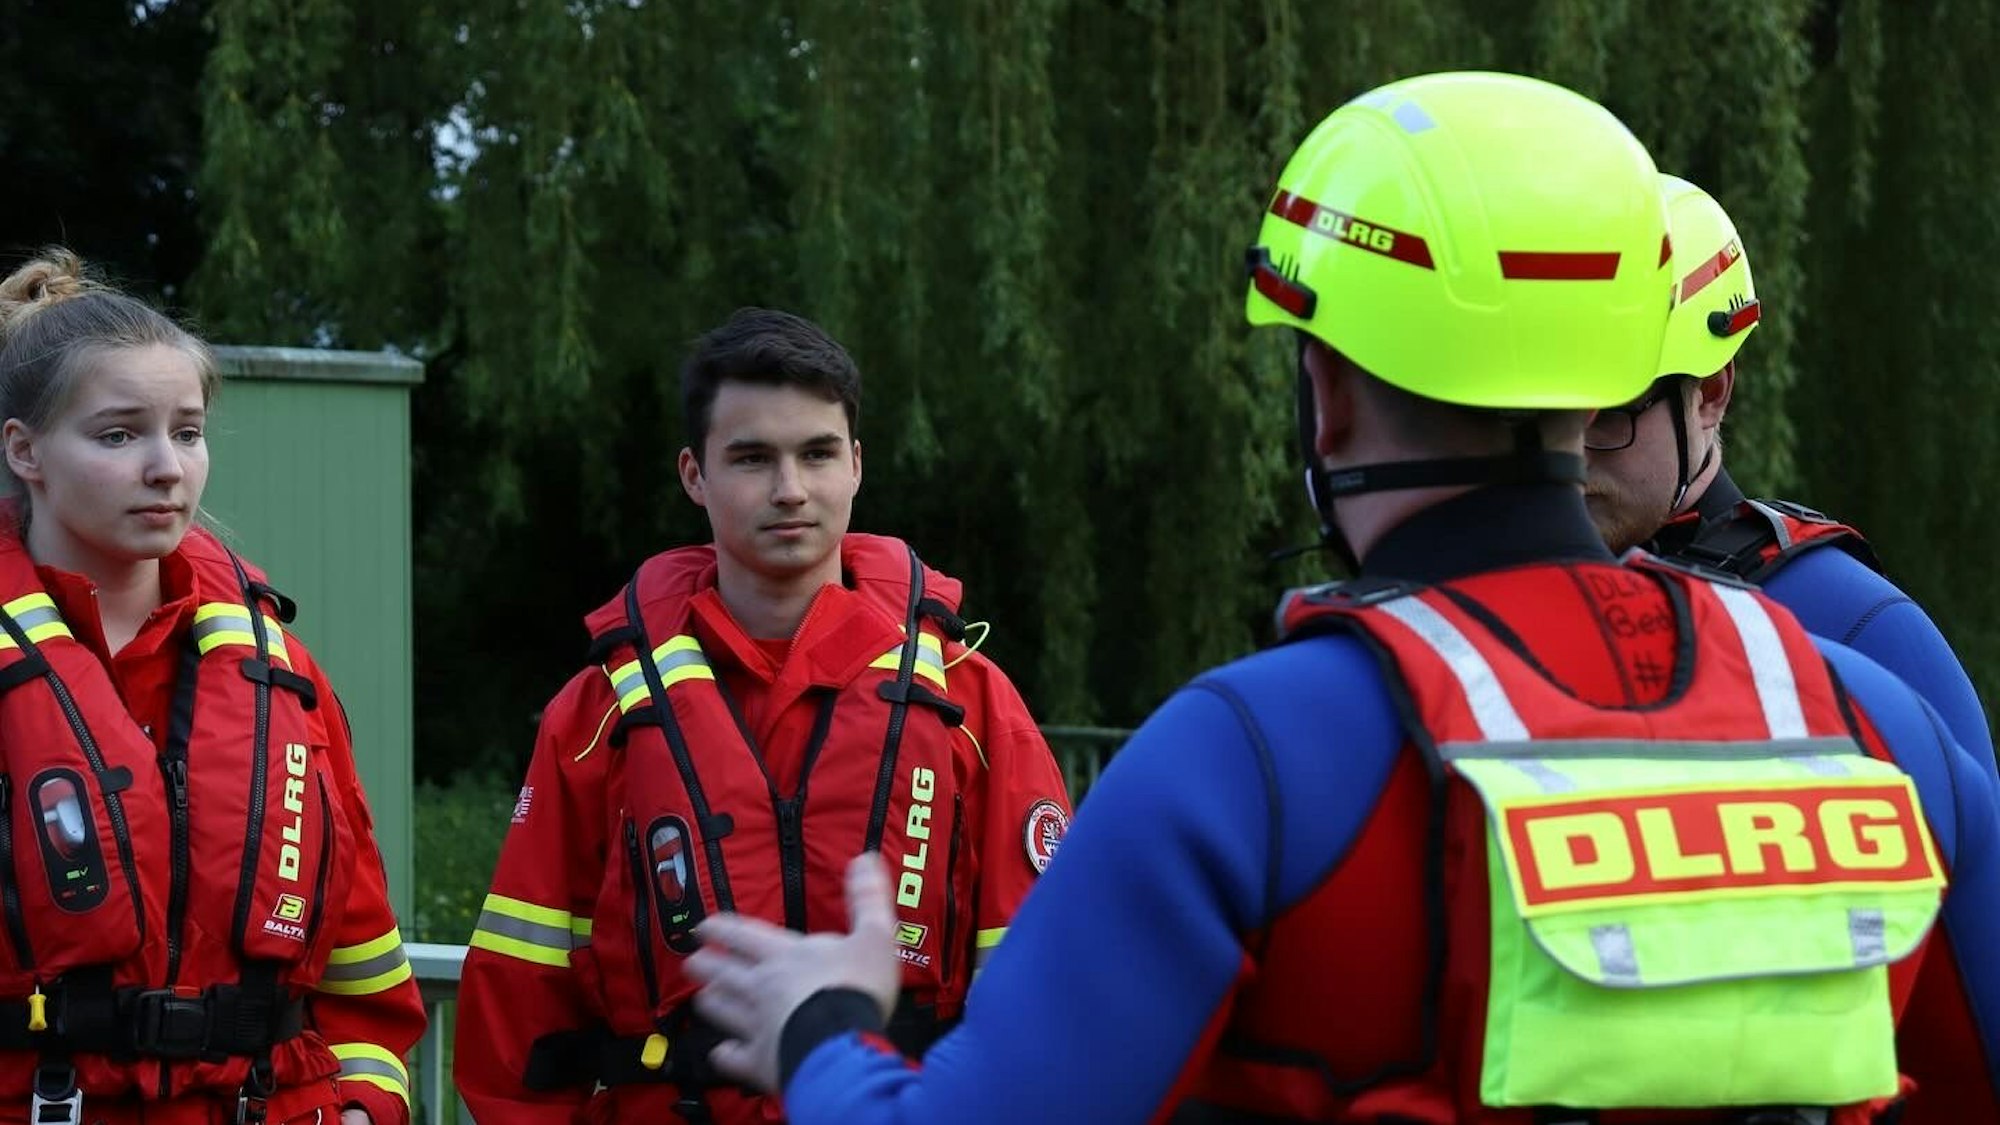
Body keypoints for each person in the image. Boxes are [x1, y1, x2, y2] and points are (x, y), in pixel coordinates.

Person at [682, 71, 2000, 1124]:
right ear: (1612, 373)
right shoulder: (1871, 715)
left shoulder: (1248, 757)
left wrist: (824, 1030)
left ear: (1334, 392)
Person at [453, 307, 1073, 1124]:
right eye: (752, 458)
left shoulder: (972, 700)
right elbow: (518, 1011)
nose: (790, 489)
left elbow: (1047, 987)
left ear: (856, 465)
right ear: (694, 475)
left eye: (817, 453)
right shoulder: (599, 713)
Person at [0, 250, 425, 1125]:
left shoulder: (282, 674)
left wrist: (363, 1104)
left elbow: (362, 959)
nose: (166, 467)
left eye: (186, 432)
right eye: (119, 434)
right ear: (25, 450)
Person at [1583, 174, 1993, 771]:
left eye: (1611, 410)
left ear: (1710, 394)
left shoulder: (1856, 625)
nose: (1567, 448)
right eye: (1539, 413)